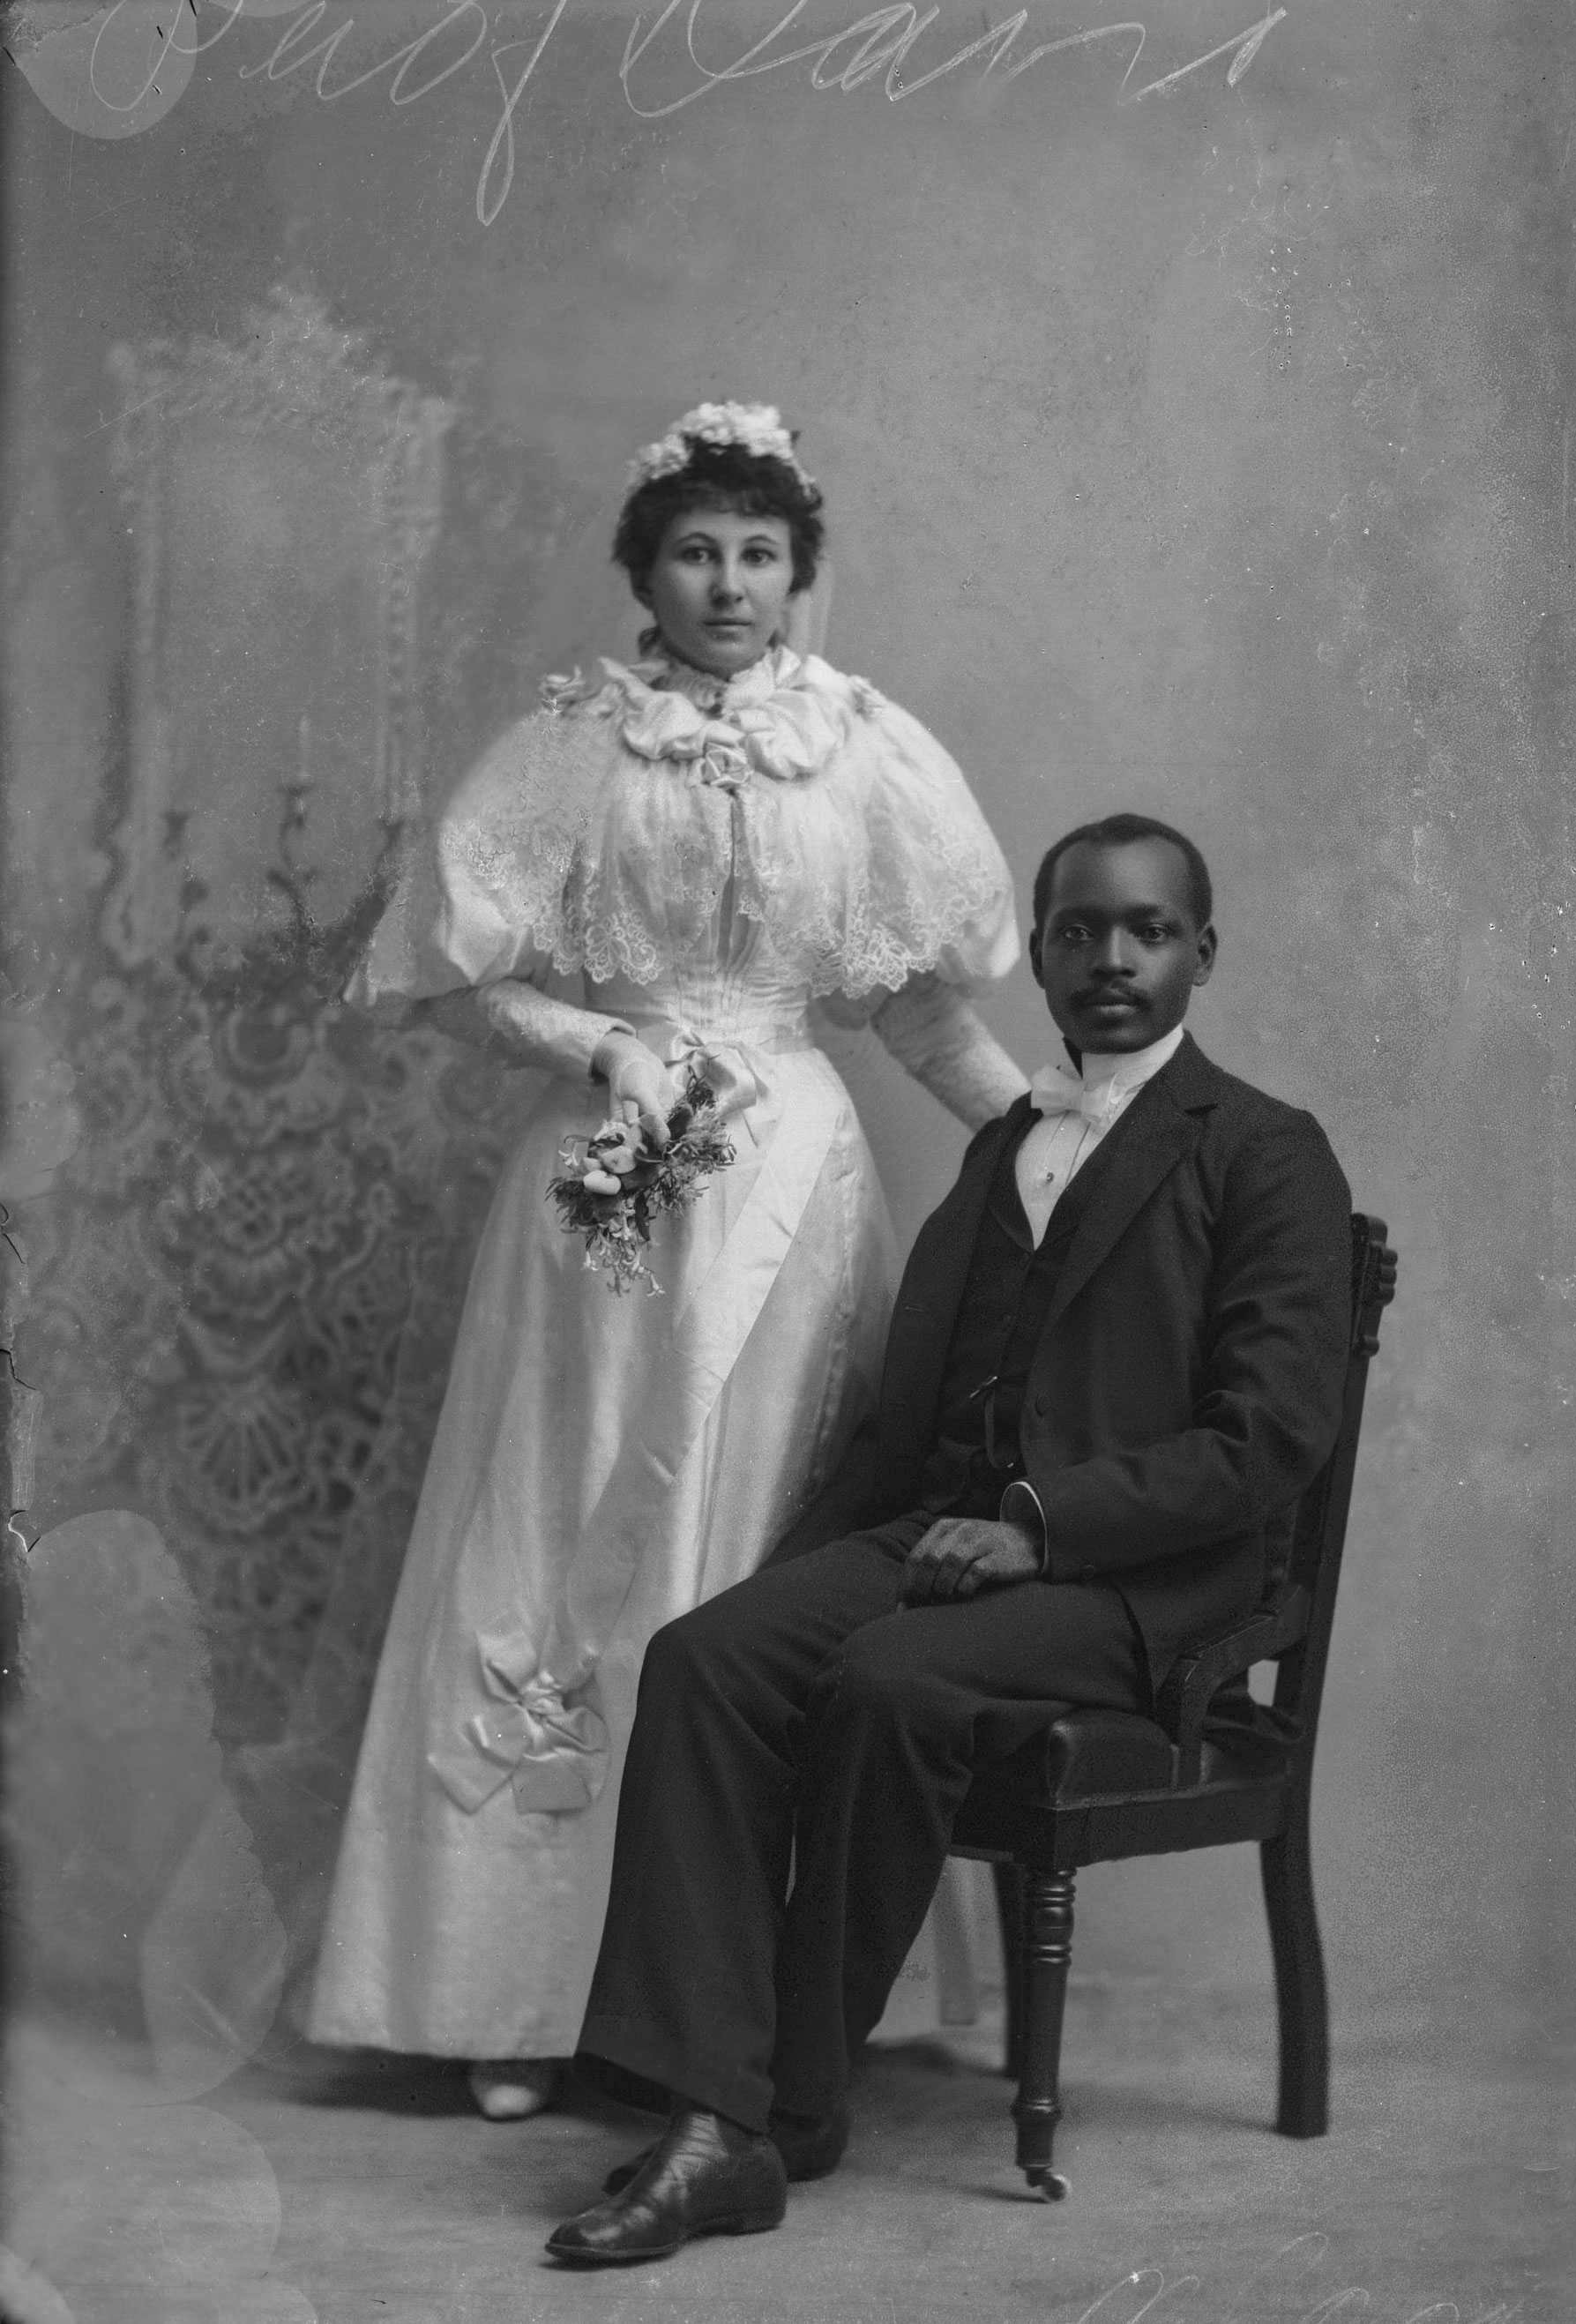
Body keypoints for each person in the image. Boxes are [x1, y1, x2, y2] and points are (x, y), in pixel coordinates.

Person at [303, 403, 1028, 2119]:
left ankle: (737, 1998)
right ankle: (516, 1994)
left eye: (758, 553)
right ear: (645, 570)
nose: (728, 582)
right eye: (696, 550)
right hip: (601, 1216)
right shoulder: (571, 744)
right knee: (565, 1542)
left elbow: (915, 1003)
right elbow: (464, 974)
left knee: (758, 1555)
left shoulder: (855, 745)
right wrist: (604, 1049)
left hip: (790, 1188)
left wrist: (1051, 1138)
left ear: (797, 571)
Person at [545, 811, 1354, 2267]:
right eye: (1079, 930)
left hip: (1138, 1583)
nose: (1112, 958)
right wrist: (797, 1570)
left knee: (891, 1685)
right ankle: (711, 2110)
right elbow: (914, 1416)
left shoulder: (1266, 1153)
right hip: (945, 1528)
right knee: (705, 1661)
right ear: (1038, 954)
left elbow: (1267, 1442)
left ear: (1204, 955)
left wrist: (1041, 1531)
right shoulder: (1008, 1146)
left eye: (1149, 930)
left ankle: (781, 2108)